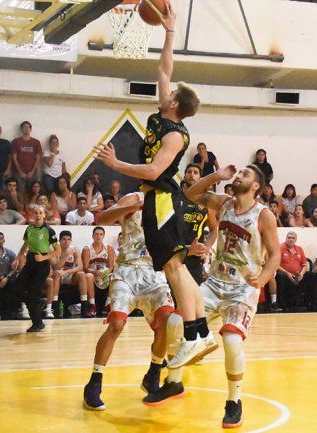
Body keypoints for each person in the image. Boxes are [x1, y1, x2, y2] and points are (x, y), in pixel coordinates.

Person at [95, 1, 210, 369]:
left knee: (175, 268)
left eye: (172, 91)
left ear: (175, 103)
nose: (167, 88)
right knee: (175, 266)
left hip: (162, 197)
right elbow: (164, 66)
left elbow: (153, 170)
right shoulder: (164, 109)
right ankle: (198, 332)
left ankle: (195, 333)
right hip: (155, 198)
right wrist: (170, 30)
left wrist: (117, 164)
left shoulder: (175, 134)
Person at [147, 164, 281, 429]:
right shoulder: (225, 203)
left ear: (256, 186)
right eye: (239, 172)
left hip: (242, 289)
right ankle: (174, 382)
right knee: (174, 324)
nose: (239, 175)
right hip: (215, 281)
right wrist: (216, 177)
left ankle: (234, 401)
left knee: (231, 341)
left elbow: (275, 253)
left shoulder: (263, 215)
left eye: (246, 174)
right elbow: (190, 195)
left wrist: (264, 278)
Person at [84, 192, 176, 411]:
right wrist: (130, 208)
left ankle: (153, 373)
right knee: (116, 324)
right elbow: (102, 219)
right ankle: (94, 382)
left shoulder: (171, 202)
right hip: (127, 271)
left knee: (168, 322)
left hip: (154, 273)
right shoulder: (134, 197)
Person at [12, 204, 61, 332]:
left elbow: (58, 251)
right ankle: (39, 304)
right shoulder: (29, 229)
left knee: (33, 293)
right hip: (30, 262)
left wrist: (44, 258)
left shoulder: (49, 230)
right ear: (33, 215)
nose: (38, 215)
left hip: (42, 264)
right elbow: (25, 245)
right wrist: (17, 258)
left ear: (44, 215)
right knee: (16, 287)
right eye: (36, 213)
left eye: (40, 213)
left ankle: (37, 323)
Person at [181, 164, 216, 285]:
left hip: (194, 257)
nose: (191, 174)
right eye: (189, 171)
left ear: (200, 179)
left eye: (195, 172)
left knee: (194, 300)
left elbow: (214, 229)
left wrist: (206, 247)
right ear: (184, 175)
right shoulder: (175, 198)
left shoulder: (206, 203)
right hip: (175, 253)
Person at [49, 230, 95, 319]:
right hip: (58, 275)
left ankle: (84, 308)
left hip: (69, 275)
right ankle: (55, 307)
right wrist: (65, 256)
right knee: (56, 274)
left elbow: (80, 267)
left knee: (81, 274)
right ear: (59, 240)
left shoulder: (74, 249)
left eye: (69, 239)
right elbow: (55, 267)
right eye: (64, 239)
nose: (66, 241)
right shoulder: (53, 249)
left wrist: (66, 272)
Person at [276, 232, 316, 312]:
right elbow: (275, 264)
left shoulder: (299, 249)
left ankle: (313, 305)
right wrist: (287, 273)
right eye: (289, 237)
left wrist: (301, 274)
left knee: (311, 276)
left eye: (293, 238)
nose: (291, 239)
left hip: (298, 275)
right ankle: (283, 306)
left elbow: (304, 265)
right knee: (281, 276)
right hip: (284, 274)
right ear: (286, 238)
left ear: (296, 240)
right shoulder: (280, 248)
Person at [83, 226, 116, 316]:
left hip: (104, 274)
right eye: (96, 234)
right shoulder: (87, 249)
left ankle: (107, 304)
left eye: (101, 234)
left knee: (114, 276)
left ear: (103, 236)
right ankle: (92, 305)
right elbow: (85, 268)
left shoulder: (109, 248)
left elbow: (111, 266)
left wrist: (105, 272)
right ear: (93, 236)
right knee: (88, 276)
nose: (99, 236)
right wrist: (95, 272)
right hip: (92, 274)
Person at [12, 121, 42, 194]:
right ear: (21, 129)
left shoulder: (36, 142)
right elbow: (14, 158)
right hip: (18, 173)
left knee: (32, 193)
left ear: (31, 129)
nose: (26, 129)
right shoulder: (16, 141)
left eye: (28, 127)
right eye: (24, 127)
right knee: (20, 193)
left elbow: (38, 158)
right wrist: (20, 172)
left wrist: (32, 172)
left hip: (32, 173)